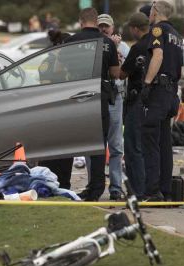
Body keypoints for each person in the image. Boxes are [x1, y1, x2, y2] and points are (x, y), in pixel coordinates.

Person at [63, 8, 120, 201]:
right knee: (97, 144)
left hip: (74, 96)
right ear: (96, 22)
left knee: (69, 142)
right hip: (98, 98)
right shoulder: (107, 43)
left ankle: (63, 184)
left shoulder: (70, 41)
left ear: (80, 22)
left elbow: (60, 68)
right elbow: (115, 73)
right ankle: (95, 189)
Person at [141, 1, 183, 201]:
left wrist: (147, 83)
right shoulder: (177, 35)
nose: (149, 14)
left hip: (158, 91)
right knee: (165, 142)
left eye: (151, 10)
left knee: (150, 140)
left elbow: (157, 55)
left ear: (156, 12)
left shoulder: (157, 30)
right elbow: (180, 69)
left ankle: (152, 190)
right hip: (171, 92)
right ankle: (165, 189)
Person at [97, 14, 129, 200]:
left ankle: (116, 187)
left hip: (115, 98)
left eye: (106, 27)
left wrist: (115, 49)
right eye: (100, 27)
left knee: (116, 145)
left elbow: (123, 73)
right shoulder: (93, 44)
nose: (103, 30)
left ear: (112, 27)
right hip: (97, 97)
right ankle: (95, 184)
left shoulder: (123, 47)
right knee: (95, 145)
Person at [37, 29, 73, 190]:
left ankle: (64, 184)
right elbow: (47, 89)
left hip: (67, 112)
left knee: (67, 151)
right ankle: (47, 183)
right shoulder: (48, 62)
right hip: (51, 112)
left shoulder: (69, 62)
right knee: (50, 152)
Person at [120, 12, 150, 200]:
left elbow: (122, 74)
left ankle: (137, 191)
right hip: (153, 101)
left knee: (132, 148)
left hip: (136, 100)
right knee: (149, 147)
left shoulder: (137, 47)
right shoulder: (157, 44)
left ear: (135, 28)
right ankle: (150, 188)